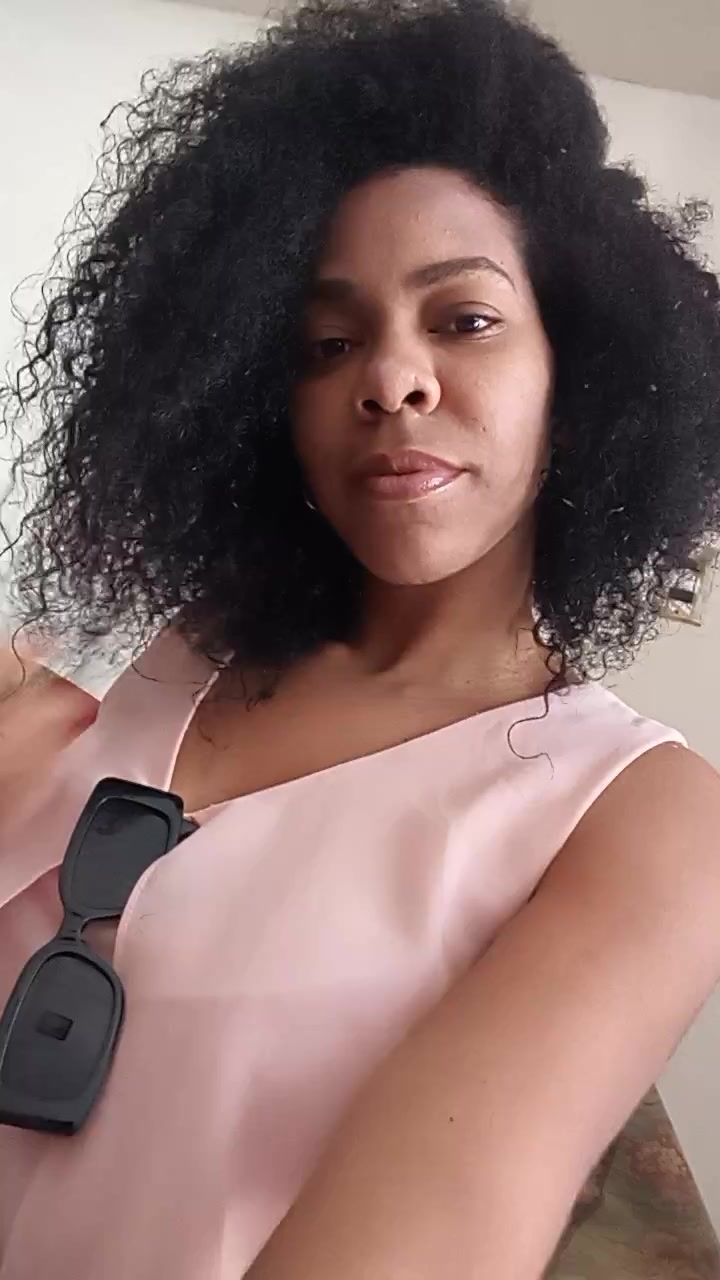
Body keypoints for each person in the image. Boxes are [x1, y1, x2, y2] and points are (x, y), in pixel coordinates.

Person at [0, 0, 720, 1275]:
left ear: (582, 379)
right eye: (328, 343)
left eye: (464, 319)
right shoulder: (135, 658)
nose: (390, 379)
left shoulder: (640, 817)